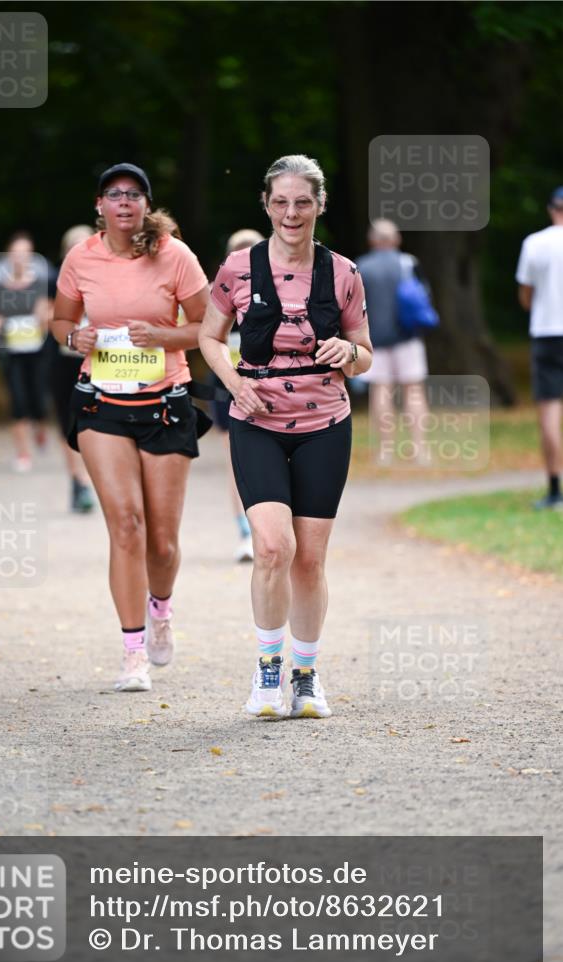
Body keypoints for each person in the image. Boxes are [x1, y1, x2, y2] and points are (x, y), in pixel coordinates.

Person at [199, 154, 372, 719]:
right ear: (266, 205)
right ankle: (268, 670)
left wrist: (349, 352)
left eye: (302, 202)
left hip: (326, 424)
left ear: (319, 205)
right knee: (274, 547)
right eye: (280, 202)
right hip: (257, 422)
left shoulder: (343, 272)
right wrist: (232, 385)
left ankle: (306, 674)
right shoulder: (237, 268)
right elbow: (208, 336)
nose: (291, 212)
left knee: (309, 560)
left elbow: (365, 353)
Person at [52, 162, 209, 692]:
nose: (124, 202)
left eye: (134, 194)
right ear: (99, 205)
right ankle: (133, 652)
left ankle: (161, 608)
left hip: (166, 402)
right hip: (102, 405)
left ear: (145, 204)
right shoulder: (82, 258)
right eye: (114, 194)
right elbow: (59, 321)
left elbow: (209, 328)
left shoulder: (175, 255)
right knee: (126, 526)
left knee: (161, 544)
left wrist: (162, 338)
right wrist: (76, 339)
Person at [208, 229, 265, 562]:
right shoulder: (218, 290)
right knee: (237, 461)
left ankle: (269, 531)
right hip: (228, 383)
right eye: (239, 253)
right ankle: (245, 532)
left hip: (272, 386)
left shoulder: (285, 288)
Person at [357, 219, 430, 465]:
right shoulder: (408, 262)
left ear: (372, 241)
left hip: (375, 339)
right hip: (408, 336)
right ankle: (420, 450)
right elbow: (424, 296)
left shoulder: (361, 267)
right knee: (414, 391)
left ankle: (386, 452)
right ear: (396, 240)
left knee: (381, 391)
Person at [0, 232, 53, 472]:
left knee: (38, 399)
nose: (19, 258)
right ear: (8, 256)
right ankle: (23, 454)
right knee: (18, 400)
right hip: (11, 353)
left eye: (25, 253)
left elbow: (50, 314)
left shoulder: (40, 284)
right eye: (15, 253)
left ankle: (40, 428)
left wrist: (43, 317)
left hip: (37, 352)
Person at [516, 186, 563, 511]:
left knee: (549, 413)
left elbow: (526, 296)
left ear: (551, 209)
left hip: (546, 332)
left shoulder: (534, 243)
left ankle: (555, 489)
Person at [50, 225, 96, 513]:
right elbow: (45, 317)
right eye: (74, 246)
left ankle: (90, 481)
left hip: (100, 360)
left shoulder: (109, 278)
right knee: (68, 425)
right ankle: (78, 481)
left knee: (94, 423)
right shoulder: (55, 281)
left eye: (85, 244)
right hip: (64, 361)